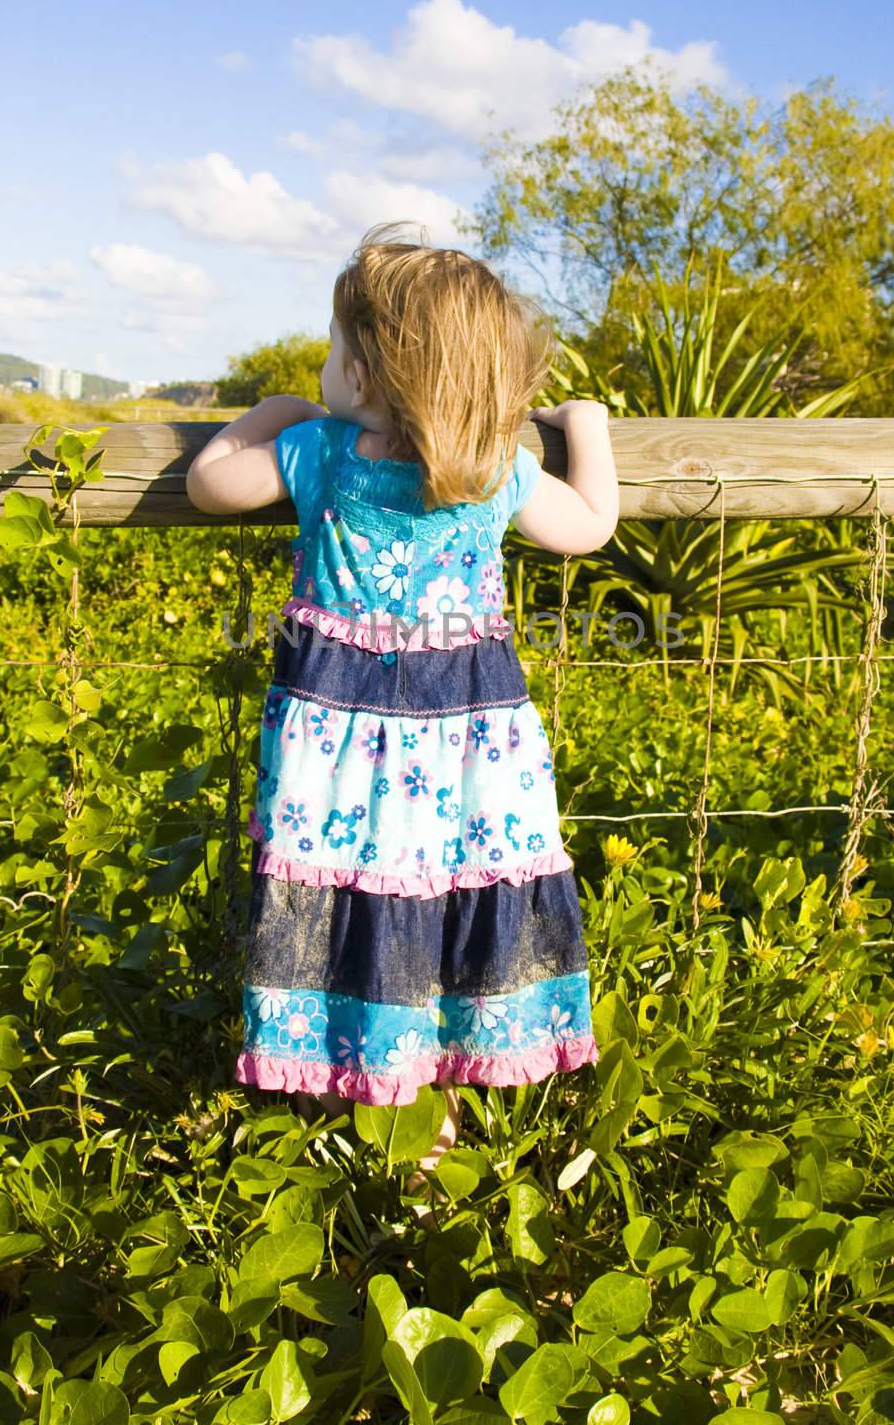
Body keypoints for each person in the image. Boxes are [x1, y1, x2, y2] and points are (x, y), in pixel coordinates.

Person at [186, 222, 619, 1216]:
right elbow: (591, 525)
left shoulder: (321, 454)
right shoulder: (497, 469)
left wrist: (268, 413)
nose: (324, 371)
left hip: (338, 758)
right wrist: (584, 424)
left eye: (337, 354)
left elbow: (212, 483)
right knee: (439, 890)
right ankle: (431, 1137)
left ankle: (384, 1126)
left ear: (376, 372)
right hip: (468, 751)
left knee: (363, 893)